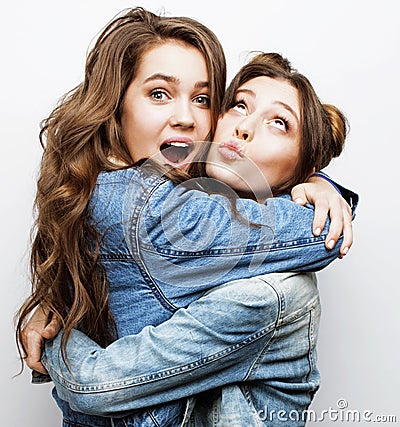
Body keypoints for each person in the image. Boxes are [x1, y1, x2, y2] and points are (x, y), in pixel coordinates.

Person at [15, 7, 357, 427]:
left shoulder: (271, 286)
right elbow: (319, 233)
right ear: (114, 103)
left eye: (203, 99)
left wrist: (58, 338)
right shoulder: (157, 207)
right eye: (159, 93)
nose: (187, 117)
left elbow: (93, 383)